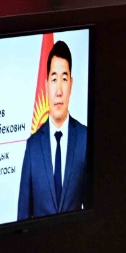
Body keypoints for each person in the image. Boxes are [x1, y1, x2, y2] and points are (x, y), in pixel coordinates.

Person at [17, 40, 91, 219]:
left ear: (71, 84)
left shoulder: (85, 139)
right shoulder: (33, 146)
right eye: (54, 79)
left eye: (64, 79)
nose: (59, 91)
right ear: (46, 85)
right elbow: (23, 217)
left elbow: (93, 212)